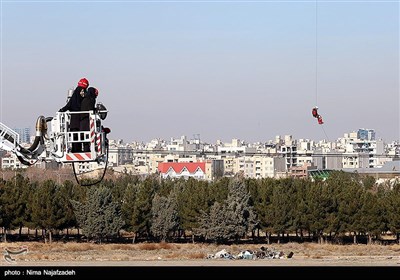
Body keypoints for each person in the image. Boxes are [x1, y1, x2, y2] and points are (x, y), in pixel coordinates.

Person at [59, 77, 89, 152]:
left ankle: (76, 150)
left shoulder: (75, 95)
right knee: (81, 136)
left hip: (74, 120)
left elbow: (69, 105)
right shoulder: (85, 96)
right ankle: (83, 150)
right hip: (83, 120)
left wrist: (61, 110)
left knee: (74, 136)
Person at [80, 87, 98, 152]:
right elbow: (91, 109)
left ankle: (84, 149)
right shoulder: (91, 99)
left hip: (82, 120)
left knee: (84, 137)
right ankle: (87, 150)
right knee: (87, 136)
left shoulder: (84, 99)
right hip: (87, 121)